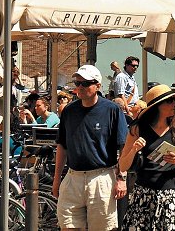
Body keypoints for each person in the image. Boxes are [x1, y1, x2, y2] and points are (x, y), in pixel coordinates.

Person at [52, 64, 128, 230]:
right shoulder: (69, 111)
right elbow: (62, 146)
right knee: (67, 226)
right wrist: (57, 179)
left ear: (98, 86)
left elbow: (124, 146)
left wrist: (121, 178)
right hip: (73, 177)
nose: (80, 87)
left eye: (85, 83)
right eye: (77, 83)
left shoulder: (112, 110)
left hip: (101, 177)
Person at [118, 84, 175, 231]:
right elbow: (123, 166)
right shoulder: (138, 129)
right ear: (157, 106)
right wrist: (133, 150)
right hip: (143, 194)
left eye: (174, 100)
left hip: (170, 194)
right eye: (169, 101)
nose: (174, 104)